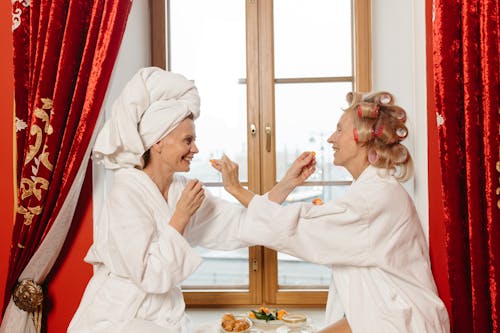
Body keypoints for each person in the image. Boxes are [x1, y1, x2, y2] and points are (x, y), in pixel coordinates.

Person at [68, 67, 316, 333]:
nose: (195, 149)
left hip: (164, 317)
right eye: (188, 140)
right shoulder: (125, 194)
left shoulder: (181, 190)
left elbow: (242, 226)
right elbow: (150, 275)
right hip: (120, 319)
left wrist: (286, 184)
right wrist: (181, 217)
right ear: (158, 142)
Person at [214, 91, 451, 333]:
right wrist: (287, 184)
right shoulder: (372, 191)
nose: (330, 138)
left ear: (364, 139)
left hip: (400, 321)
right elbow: (309, 226)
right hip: (386, 317)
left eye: (339, 130)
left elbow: (298, 227)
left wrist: (235, 188)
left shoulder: (373, 198)